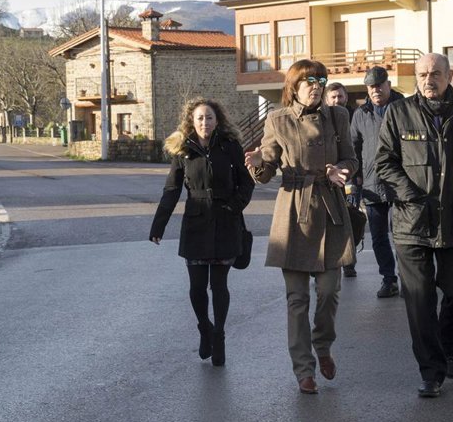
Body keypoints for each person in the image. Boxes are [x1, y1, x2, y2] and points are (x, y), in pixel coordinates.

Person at [376, 53, 453, 398]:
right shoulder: (399, 112)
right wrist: (411, 196)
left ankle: (448, 348)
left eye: (436, 73)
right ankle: (431, 372)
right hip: (412, 223)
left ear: (449, 75)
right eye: (423, 74)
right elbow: (385, 161)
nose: (429, 79)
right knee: (419, 301)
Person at [245, 59, 358, 395]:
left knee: (329, 292)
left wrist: (340, 170)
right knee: (296, 300)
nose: (316, 87)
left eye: (320, 81)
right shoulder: (278, 119)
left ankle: (322, 345)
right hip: (294, 212)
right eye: (309, 81)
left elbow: (351, 159)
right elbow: (267, 169)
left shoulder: (338, 116)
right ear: (294, 86)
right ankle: (304, 369)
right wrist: (257, 164)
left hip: (330, 210)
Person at [150, 97, 255, 367]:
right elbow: (172, 190)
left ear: (217, 121)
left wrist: (234, 206)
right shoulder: (184, 151)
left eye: (209, 118)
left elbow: (246, 182)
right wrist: (158, 225)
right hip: (196, 223)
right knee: (197, 288)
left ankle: (219, 335)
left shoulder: (230, 146)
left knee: (219, 286)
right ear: (192, 121)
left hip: (225, 222)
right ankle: (204, 327)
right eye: (200, 118)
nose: (205, 122)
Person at [349, 65, 404, 299]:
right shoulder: (361, 114)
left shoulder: (405, 108)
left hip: (402, 183)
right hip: (372, 183)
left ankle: (409, 279)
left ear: (388, 85)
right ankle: (389, 279)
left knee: (403, 235)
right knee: (379, 236)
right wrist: (356, 177)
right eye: (371, 87)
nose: (375, 90)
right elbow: (353, 147)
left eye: (379, 85)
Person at [325, 81, 357, 279]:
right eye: (333, 97)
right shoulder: (323, 120)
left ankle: (349, 263)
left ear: (346, 97)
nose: (337, 100)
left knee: (351, 220)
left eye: (340, 96)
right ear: (327, 100)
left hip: (351, 175)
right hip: (329, 179)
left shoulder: (355, 116)